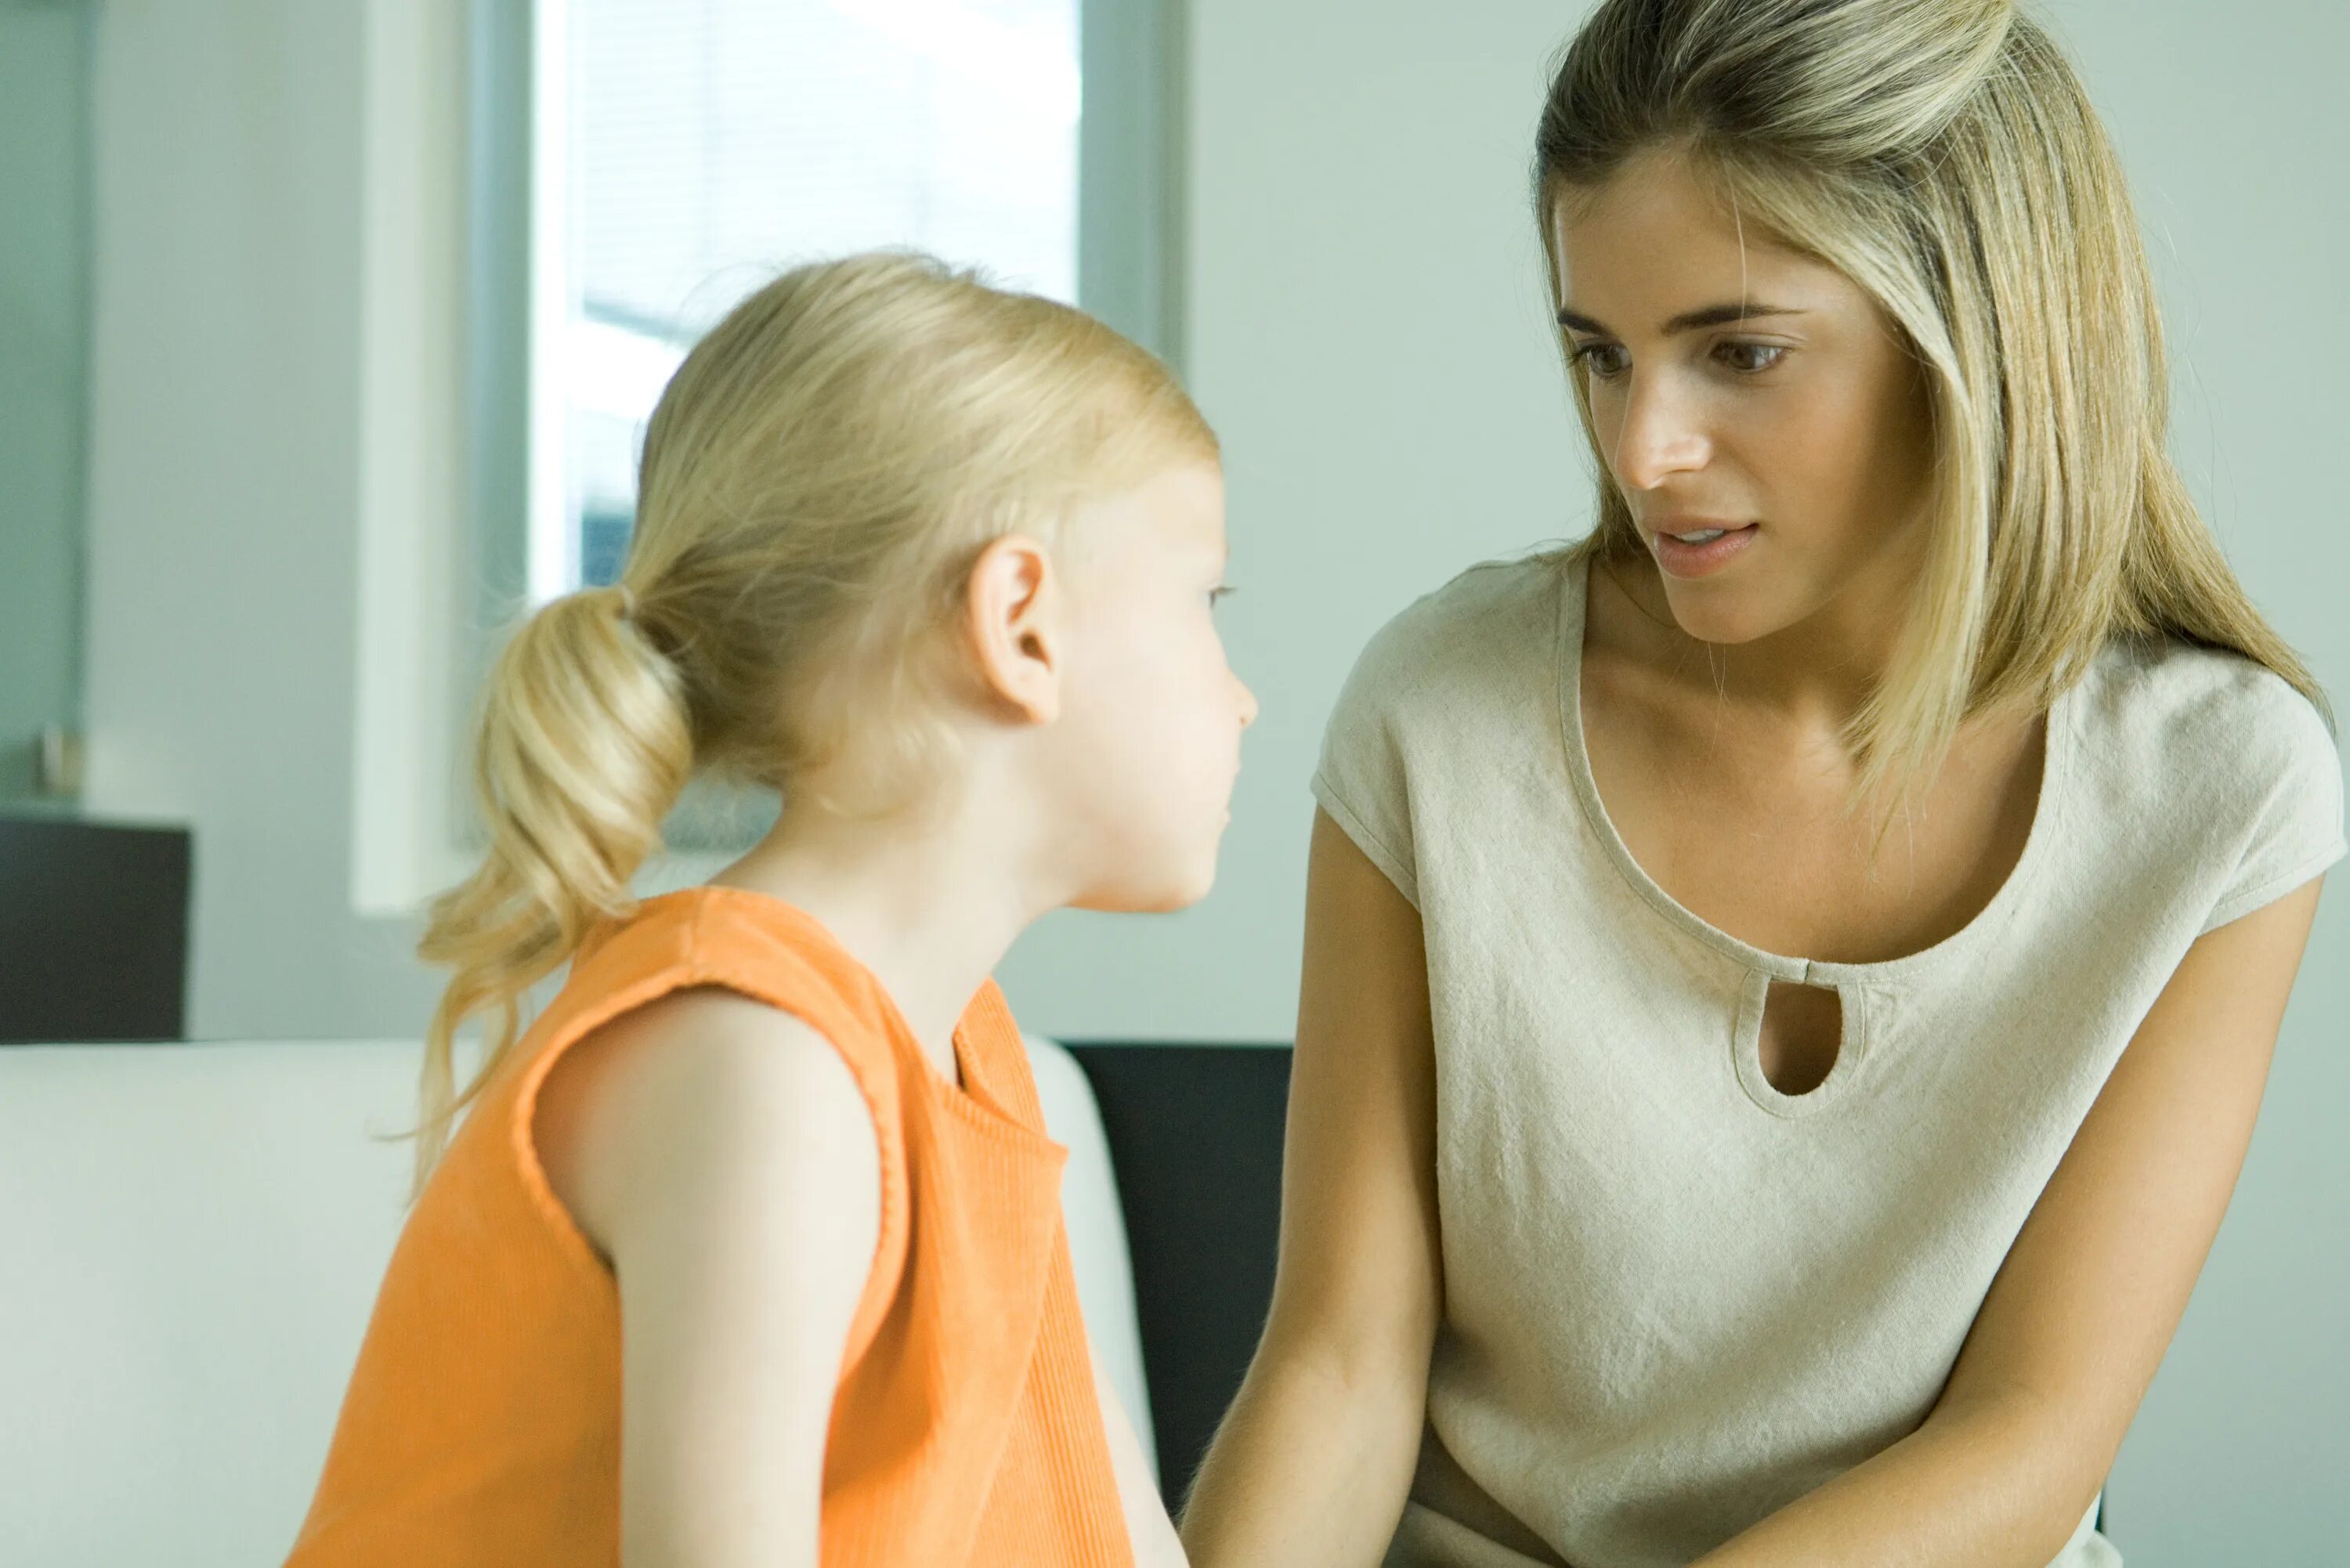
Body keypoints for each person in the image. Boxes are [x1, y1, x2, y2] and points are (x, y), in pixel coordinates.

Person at [1180, 2, 2342, 1566]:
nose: (1644, 446)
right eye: (1601, 355)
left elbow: (2032, 1435)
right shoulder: (1441, 707)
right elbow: (1336, 1361)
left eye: (1742, 351)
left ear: (1978, 335)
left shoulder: (2223, 784)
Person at [284, 252, 1253, 1567]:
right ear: (1022, 622)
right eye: (1206, 605)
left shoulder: (965, 1051)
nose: (1240, 696)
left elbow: (1112, 1532)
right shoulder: (759, 1069)